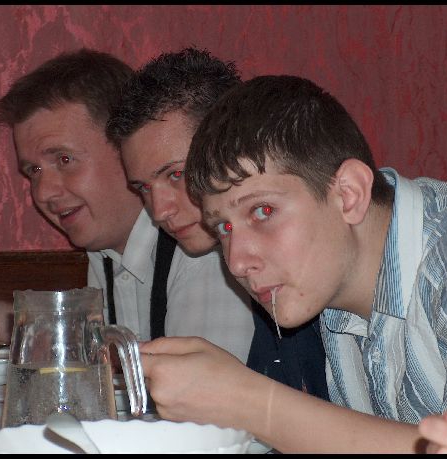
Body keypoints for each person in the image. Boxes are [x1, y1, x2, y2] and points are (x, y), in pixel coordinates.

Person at [137, 75, 447, 453]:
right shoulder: (331, 289)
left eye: (262, 210)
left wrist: (247, 401)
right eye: (224, 227)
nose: (237, 261)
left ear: (349, 194)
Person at [0, 48, 254, 364]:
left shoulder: (202, 244)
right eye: (34, 170)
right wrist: (2, 322)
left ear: (126, 148)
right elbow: (98, 351)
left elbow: (198, 387)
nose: (43, 192)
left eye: (64, 159)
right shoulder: (106, 251)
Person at [106, 47, 328, 400]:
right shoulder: (243, 262)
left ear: (227, 144)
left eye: (176, 174)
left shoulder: (295, 256)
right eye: (143, 188)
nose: (158, 211)